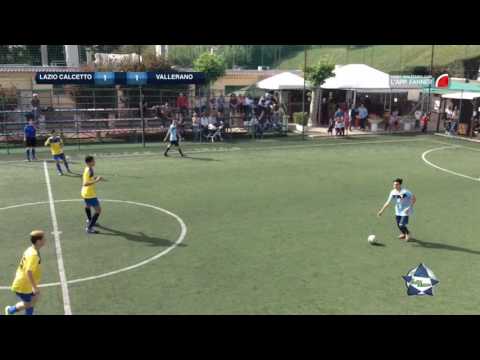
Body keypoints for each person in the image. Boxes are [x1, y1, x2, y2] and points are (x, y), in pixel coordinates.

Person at [4, 230, 46, 315]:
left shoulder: (31, 249)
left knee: (33, 301)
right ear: (38, 241)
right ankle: (10, 310)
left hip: (25, 283)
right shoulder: (33, 255)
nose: (45, 240)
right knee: (29, 304)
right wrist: (34, 287)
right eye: (43, 239)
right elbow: (28, 271)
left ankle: (10, 311)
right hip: (24, 285)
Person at [82, 156, 104, 234]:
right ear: (89, 162)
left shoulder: (88, 168)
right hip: (89, 194)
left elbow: (89, 178)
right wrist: (97, 180)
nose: (94, 162)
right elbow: (85, 183)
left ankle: (89, 220)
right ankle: (89, 228)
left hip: (85, 193)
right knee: (98, 210)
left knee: (87, 206)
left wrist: (96, 178)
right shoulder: (88, 170)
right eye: (93, 161)